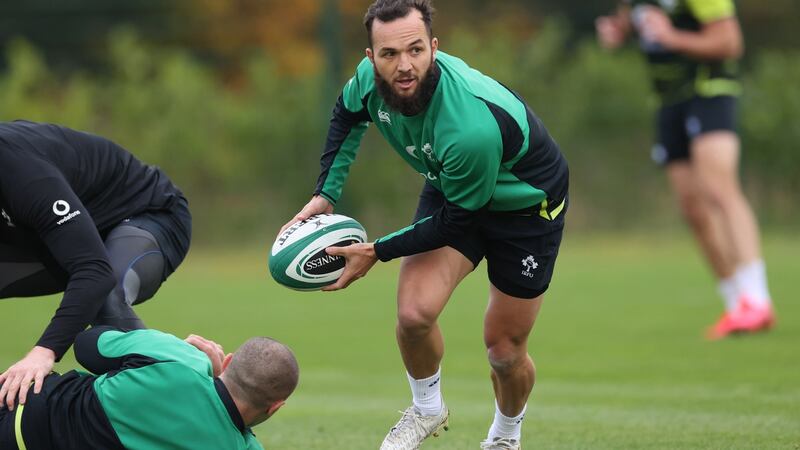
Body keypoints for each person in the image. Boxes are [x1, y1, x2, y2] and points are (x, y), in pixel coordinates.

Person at [280, 1, 568, 448]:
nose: (404, 65)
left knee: (504, 351)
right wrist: (326, 193)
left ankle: (505, 437)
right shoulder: (367, 81)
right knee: (414, 316)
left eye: (415, 50)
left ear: (434, 47)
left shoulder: (468, 127)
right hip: (455, 185)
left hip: (526, 207)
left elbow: (455, 223)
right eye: (389, 54)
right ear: (370, 57)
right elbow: (346, 115)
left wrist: (375, 250)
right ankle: (427, 409)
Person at [595, 0, 775, 339]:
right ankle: (737, 303)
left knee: (720, 189)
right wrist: (618, 32)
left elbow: (730, 43)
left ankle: (758, 298)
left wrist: (673, 37)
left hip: (709, 92)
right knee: (692, 208)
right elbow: (633, 20)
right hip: (667, 102)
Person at [0, 120, 192, 410]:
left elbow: (94, 271)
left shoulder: (21, 171)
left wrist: (44, 351)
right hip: (62, 241)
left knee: (106, 297)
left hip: (148, 214)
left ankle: (180, 402)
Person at [0, 326, 299, 449]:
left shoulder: (180, 358)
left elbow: (88, 345)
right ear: (275, 406)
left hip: (20, 409)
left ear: (229, 361)